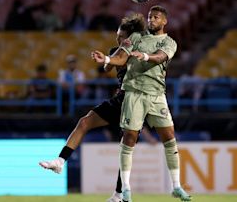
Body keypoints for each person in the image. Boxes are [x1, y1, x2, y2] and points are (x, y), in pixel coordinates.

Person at [39, 13, 157, 202]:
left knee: (125, 147)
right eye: (117, 34)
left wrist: (113, 58)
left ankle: (120, 194)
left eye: (121, 35)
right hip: (120, 99)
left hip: (136, 102)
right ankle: (60, 162)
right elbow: (108, 68)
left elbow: (121, 62)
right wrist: (109, 58)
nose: (117, 37)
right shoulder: (117, 50)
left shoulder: (141, 50)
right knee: (84, 122)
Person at [91, 5, 191, 202]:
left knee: (169, 136)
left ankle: (176, 186)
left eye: (156, 17)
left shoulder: (169, 42)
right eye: (150, 17)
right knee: (129, 137)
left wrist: (144, 56)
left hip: (157, 95)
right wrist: (107, 58)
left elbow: (160, 57)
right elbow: (121, 57)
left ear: (164, 21)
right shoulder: (136, 38)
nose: (152, 20)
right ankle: (125, 190)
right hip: (134, 93)